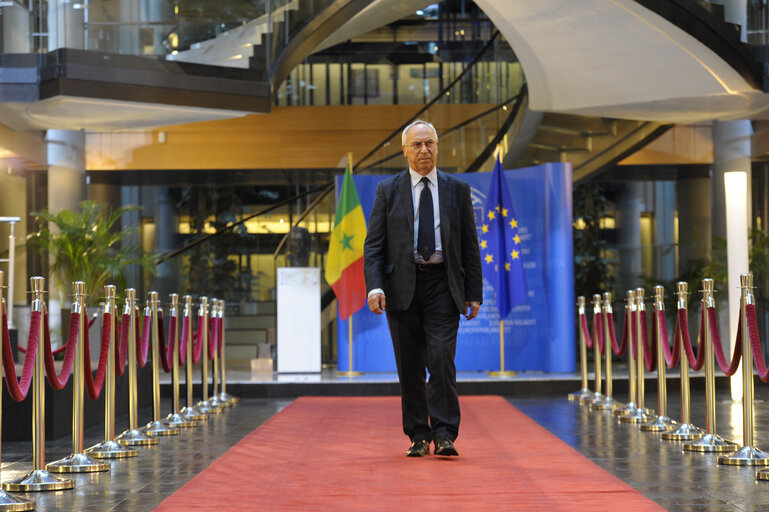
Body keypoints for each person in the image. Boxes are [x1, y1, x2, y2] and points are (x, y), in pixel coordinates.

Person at [363, 120, 483, 457]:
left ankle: (444, 433)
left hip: (443, 285)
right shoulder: (388, 190)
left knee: (441, 358)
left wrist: (474, 291)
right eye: (416, 145)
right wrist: (375, 287)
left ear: (438, 146)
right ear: (404, 150)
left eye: (429, 143)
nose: (424, 150)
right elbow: (374, 246)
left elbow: (469, 246)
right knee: (410, 364)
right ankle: (418, 434)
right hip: (401, 287)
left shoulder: (457, 189)